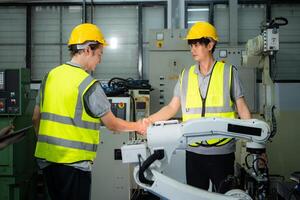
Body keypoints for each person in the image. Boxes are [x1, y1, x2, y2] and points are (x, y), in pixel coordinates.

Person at [32, 23, 145, 200]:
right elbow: (112, 124)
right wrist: (138, 126)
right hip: (74, 164)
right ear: (87, 50)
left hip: (47, 163)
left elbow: (35, 118)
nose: (100, 60)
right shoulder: (87, 84)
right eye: (99, 54)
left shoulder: (50, 76)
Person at [143, 21, 251, 193]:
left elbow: (242, 108)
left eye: (197, 44)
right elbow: (171, 107)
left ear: (210, 44)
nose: (192, 49)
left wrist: (254, 142)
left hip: (221, 152)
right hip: (193, 152)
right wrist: (149, 121)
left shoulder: (228, 72)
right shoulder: (185, 75)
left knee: (224, 197)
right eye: (191, 45)